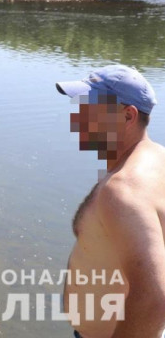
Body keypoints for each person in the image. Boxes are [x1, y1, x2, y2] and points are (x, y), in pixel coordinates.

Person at [57, 64, 165, 338]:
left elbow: (154, 298)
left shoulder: (124, 189)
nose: (77, 120)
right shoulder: (157, 160)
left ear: (128, 116)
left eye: (90, 111)